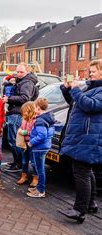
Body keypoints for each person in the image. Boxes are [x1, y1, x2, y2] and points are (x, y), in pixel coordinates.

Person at [58, 59, 102, 223]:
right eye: (90, 71)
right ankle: (90, 204)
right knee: (86, 170)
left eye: (94, 71)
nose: (90, 74)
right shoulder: (93, 87)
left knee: (81, 172)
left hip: (88, 137)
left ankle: (79, 210)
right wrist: (67, 88)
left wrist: (76, 89)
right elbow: (75, 103)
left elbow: (90, 105)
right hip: (84, 137)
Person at [2, 62, 39, 172]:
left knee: (15, 140)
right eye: (17, 71)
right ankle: (17, 162)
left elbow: (25, 98)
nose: (18, 74)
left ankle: (18, 164)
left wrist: (8, 99)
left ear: (27, 71)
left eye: (21, 72)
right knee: (14, 140)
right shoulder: (22, 81)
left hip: (18, 114)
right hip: (17, 112)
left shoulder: (27, 82)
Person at [25, 97, 54, 198]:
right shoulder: (48, 118)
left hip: (39, 147)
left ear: (38, 107)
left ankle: (40, 190)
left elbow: (42, 135)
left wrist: (31, 142)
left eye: (34, 107)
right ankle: (39, 188)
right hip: (44, 146)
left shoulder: (40, 120)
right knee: (40, 169)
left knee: (40, 170)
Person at [15, 102, 37, 186]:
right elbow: (21, 127)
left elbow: (35, 132)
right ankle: (24, 176)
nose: (24, 113)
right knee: (24, 161)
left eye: (25, 111)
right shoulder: (24, 119)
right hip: (24, 144)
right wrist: (20, 130)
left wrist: (25, 132)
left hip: (32, 144)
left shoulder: (35, 120)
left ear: (31, 111)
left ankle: (35, 178)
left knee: (33, 162)